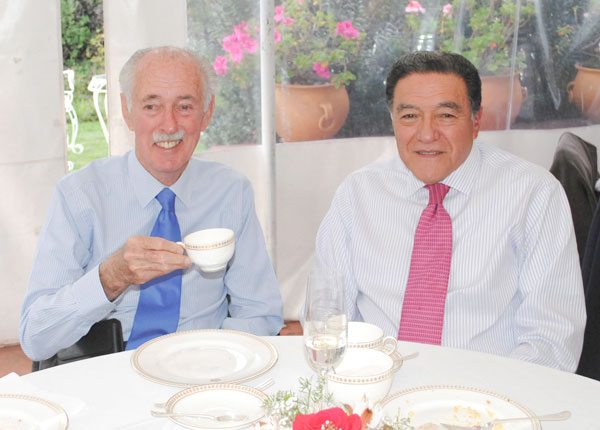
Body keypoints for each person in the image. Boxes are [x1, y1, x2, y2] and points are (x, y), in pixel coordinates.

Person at [315, 51, 586, 371]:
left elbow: (552, 338)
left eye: (445, 115)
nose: (427, 134)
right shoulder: (357, 195)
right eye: (409, 116)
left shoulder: (533, 194)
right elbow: (328, 314)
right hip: (378, 383)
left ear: (476, 120)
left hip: (490, 388)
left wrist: (487, 396)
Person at [20, 46, 284, 361]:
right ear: (127, 111)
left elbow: (259, 312)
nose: (169, 125)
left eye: (184, 106)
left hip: (205, 368)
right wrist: (110, 278)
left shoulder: (231, 191)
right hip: (106, 372)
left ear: (207, 113)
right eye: (151, 106)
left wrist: (219, 361)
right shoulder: (78, 195)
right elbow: (35, 337)